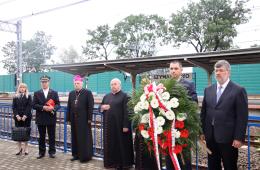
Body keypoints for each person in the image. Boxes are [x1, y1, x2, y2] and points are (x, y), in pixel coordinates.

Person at [200, 60, 248, 170]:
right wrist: (202, 131)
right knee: (212, 166)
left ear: (228, 72)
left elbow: (242, 117)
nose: (218, 73)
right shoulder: (208, 90)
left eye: (221, 70)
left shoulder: (238, 90)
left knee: (230, 166)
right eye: (216, 70)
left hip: (229, 139)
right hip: (211, 138)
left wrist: (238, 138)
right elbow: (204, 113)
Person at [166, 60, 198, 170]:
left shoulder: (189, 84)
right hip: (168, 125)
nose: (173, 71)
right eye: (171, 69)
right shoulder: (165, 84)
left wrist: (182, 112)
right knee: (169, 153)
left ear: (181, 70)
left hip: (183, 125)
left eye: (176, 68)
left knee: (184, 155)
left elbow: (194, 103)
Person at [100, 78, 134, 170]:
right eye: (111, 84)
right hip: (109, 127)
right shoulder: (106, 96)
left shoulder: (125, 96)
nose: (113, 86)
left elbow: (128, 112)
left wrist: (126, 125)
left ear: (120, 85)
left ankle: (123, 164)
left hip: (120, 127)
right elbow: (101, 107)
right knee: (111, 145)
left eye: (115, 84)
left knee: (121, 145)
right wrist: (102, 107)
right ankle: (111, 163)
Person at [66, 75, 94, 163]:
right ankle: (75, 155)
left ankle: (85, 156)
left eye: (78, 83)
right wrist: (68, 119)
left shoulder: (87, 92)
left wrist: (89, 118)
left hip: (84, 120)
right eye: (75, 83)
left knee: (83, 138)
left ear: (81, 83)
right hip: (74, 120)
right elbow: (69, 106)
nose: (76, 85)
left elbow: (90, 106)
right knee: (74, 137)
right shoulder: (71, 93)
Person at [32, 75, 60, 159]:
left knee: (52, 136)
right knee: (41, 136)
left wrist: (53, 108)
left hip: (51, 117)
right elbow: (33, 105)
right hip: (41, 117)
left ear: (49, 82)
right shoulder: (37, 93)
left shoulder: (54, 92)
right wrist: (43, 107)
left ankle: (52, 152)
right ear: (41, 83)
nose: (44, 83)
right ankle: (41, 152)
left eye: (45, 82)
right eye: (42, 82)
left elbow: (58, 104)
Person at [12, 83, 32, 155]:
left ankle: (26, 148)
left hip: (26, 118)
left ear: (26, 89)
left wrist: (25, 116)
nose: (22, 89)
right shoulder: (15, 96)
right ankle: (19, 149)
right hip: (17, 118)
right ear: (19, 88)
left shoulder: (29, 96)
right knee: (18, 132)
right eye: (21, 87)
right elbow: (14, 107)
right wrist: (17, 115)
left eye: (24, 87)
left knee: (26, 132)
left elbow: (29, 106)